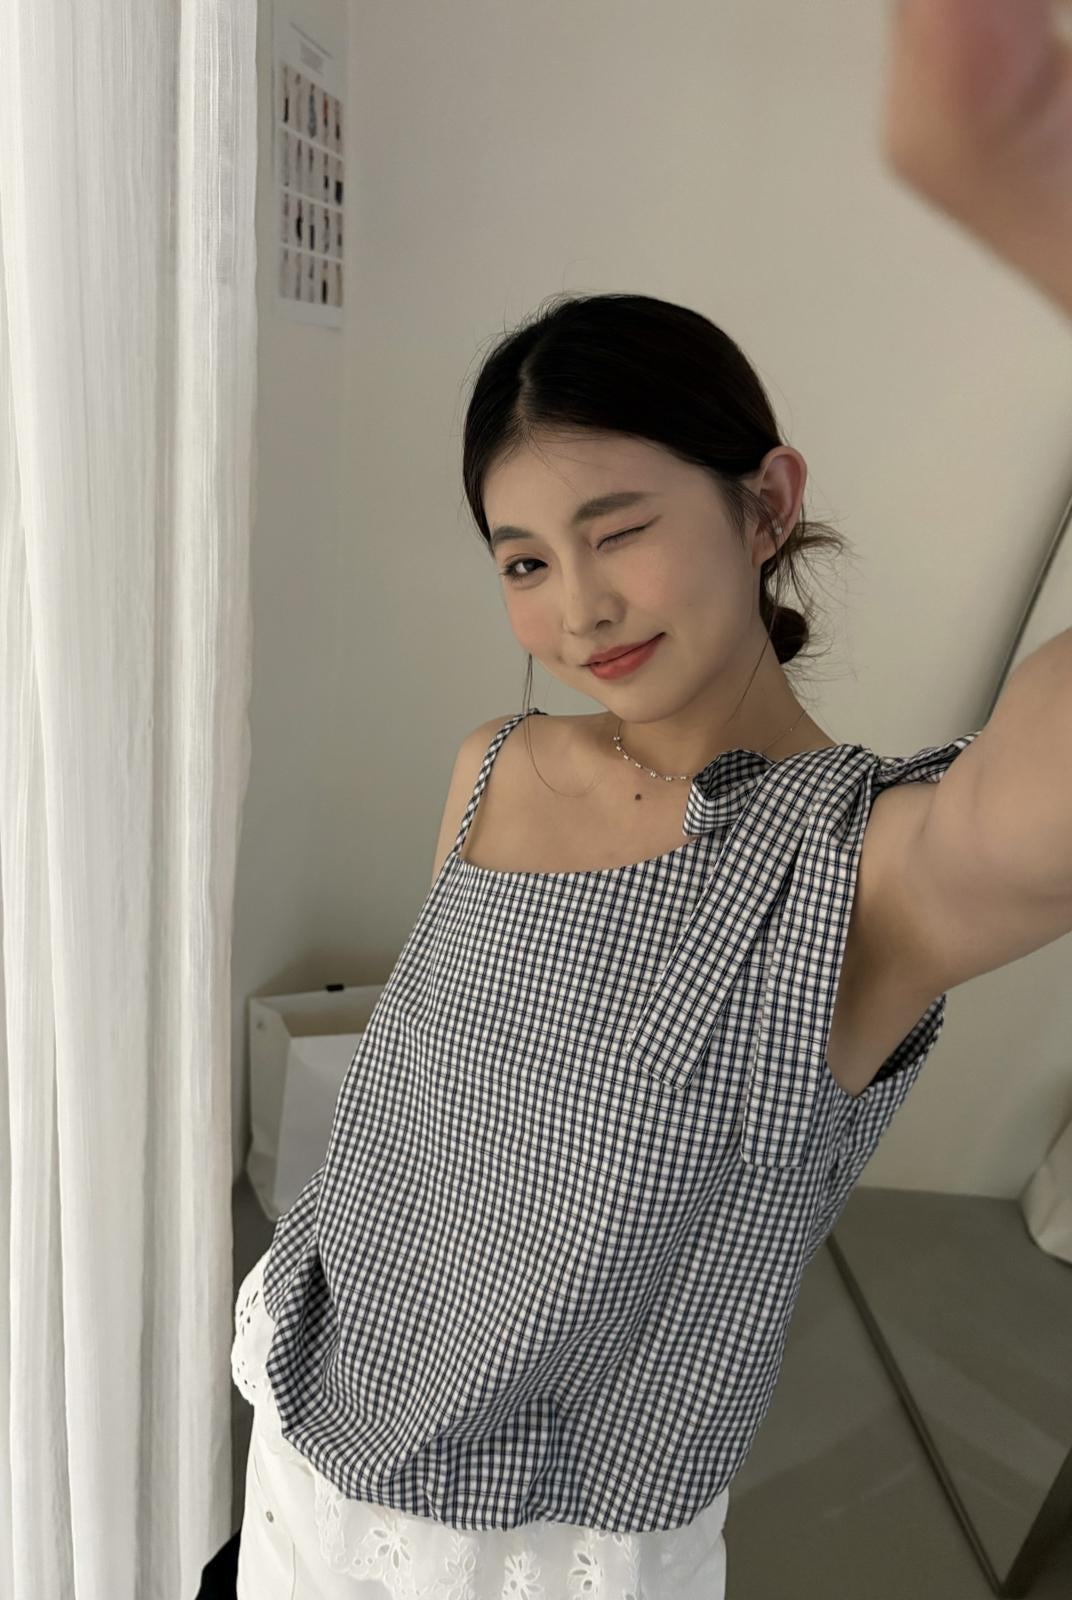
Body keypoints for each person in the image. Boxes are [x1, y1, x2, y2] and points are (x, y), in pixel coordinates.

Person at [233, 3, 1072, 1595]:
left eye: (620, 530)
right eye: (525, 562)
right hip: (305, 1415)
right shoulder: (493, 764)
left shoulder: (861, 881)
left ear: (767, 505)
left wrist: (1027, 168)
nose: (580, 609)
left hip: (527, 1551)